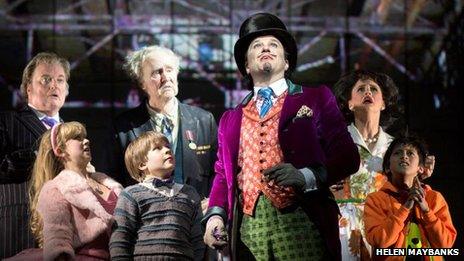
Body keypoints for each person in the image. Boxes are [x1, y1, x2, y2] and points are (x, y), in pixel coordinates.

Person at [202, 12, 360, 260]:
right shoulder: (230, 119)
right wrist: (214, 215)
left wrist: (305, 175)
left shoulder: (316, 98)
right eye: (256, 45)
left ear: (286, 62)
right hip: (248, 229)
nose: (265, 47)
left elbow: (348, 156)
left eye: (273, 44)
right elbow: (223, 174)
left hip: (303, 222)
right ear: (246, 65)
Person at [332, 70, 435, 260]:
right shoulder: (334, 142)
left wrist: (419, 175)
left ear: (384, 104)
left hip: (387, 223)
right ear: (350, 104)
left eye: (373, 89)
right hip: (346, 226)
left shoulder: (396, 148)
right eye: (361, 89)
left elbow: (407, 189)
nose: (368, 92)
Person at [113, 45, 217, 201]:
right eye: (157, 72)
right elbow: (114, 180)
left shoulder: (204, 120)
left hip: (197, 219)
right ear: (142, 83)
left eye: (169, 70)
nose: (166, 77)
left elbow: (219, 173)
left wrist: (212, 204)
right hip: (147, 221)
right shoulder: (123, 127)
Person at [7, 121, 123, 260]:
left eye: (85, 137)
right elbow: (58, 245)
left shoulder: (107, 182)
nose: (86, 141)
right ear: (60, 151)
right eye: (77, 138)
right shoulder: (55, 189)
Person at [0, 52, 70, 258]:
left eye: (60, 80)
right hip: (19, 228)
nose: (54, 85)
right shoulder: (6, 121)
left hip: (67, 235)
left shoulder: (75, 134)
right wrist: (39, 155)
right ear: (28, 88)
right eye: (46, 79)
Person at [109, 131, 205, 260]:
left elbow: (198, 239)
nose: (166, 150)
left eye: (167, 146)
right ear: (142, 164)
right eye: (157, 148)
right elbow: (120, 237)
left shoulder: (189, 193)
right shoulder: (131, 194)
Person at [364, 135, 456, 261]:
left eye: (410, 153)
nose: (404, 156)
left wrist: (427, 211)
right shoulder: (375, 200)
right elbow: (379, 242)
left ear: (421, 168)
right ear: (387, 167)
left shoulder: (434, 198)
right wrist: (405, 208)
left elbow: (445, 245)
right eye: (397, 153)